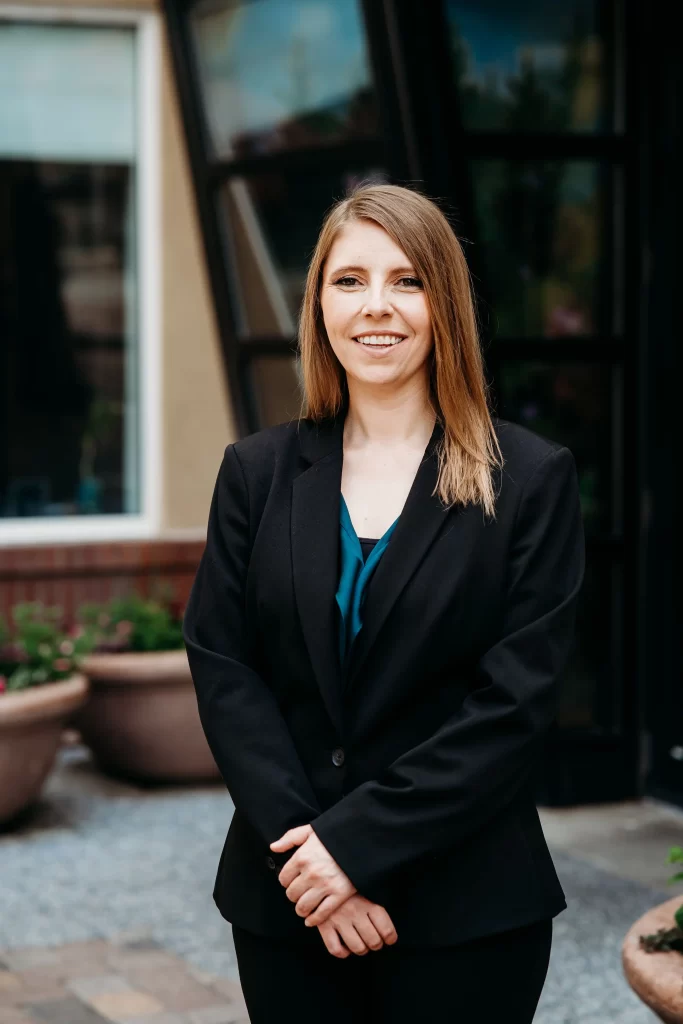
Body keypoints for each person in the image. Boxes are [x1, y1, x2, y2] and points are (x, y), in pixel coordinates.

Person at [182, 183, 585, 1023]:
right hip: (289, 903)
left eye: (407, 281)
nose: (376, 306)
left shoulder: (529, 479)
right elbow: (225, 669)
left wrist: (353, 848)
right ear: (318, 305)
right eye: (349, 280)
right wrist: (311, 860)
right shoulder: (254, 473)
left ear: (445, 306)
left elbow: (511, 706)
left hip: (465, 910)